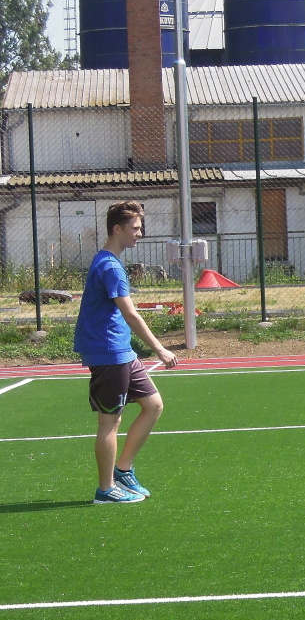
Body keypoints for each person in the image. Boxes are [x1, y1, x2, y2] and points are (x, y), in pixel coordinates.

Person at [74, 201, 178, 504]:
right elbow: (130, 314)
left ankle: (123, 469)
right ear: (117, 229)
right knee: (110, 422)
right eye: (135, 228)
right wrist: (159, 349)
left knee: (153, 405)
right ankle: (105, 490)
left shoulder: (109, 262)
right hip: (108, 352)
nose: (140, 233)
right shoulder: (109, 267)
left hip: (122, 351)